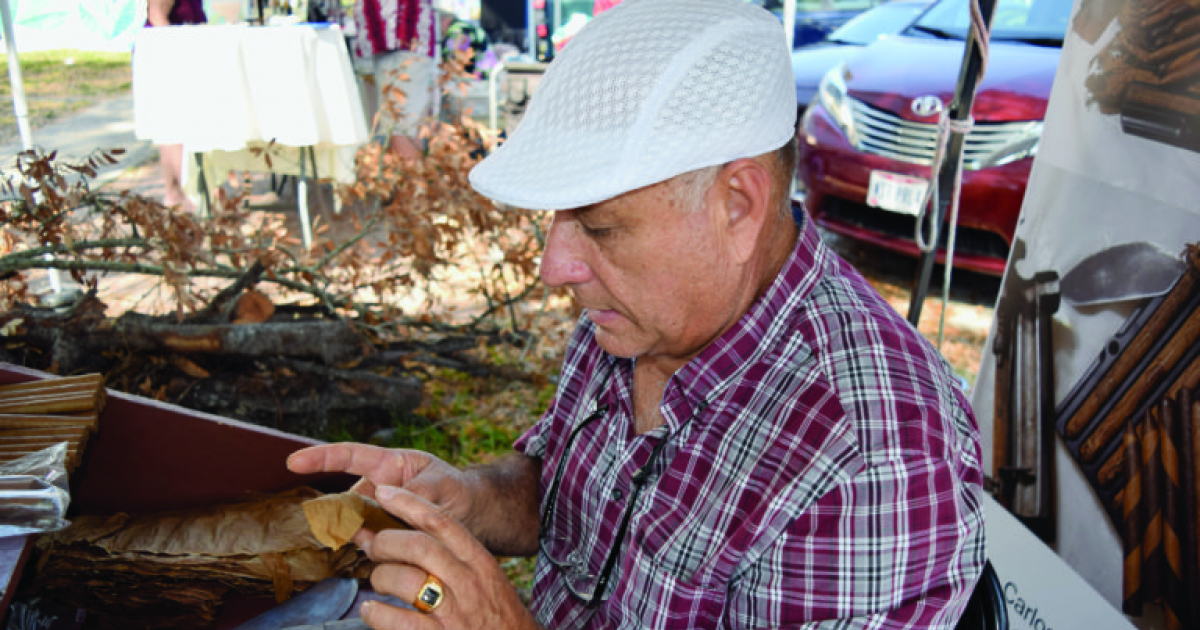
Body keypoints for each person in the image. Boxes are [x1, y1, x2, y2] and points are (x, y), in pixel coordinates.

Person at [287, 0, 986, 628]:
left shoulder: (872, 456)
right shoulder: (640, 309)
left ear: (737, 206)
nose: (555, 265)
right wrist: (469, 496)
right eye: (561, 219)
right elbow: (567, 489)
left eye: (601, 226)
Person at [351, 0, 439, 160]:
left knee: (400, 123)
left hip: (404, 35)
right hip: (386, 37)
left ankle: (410, 182)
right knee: (398, 123)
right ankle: (411, 179)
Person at [145, 0, 206, 210]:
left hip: (179, 52)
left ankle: (181, 194)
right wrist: (178, 55)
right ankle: (178, 194)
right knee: (174, 129)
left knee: (177, 128)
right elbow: (157, 16)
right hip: (168, 55)